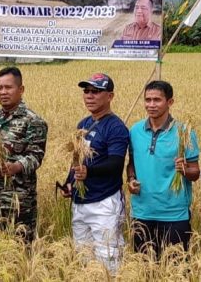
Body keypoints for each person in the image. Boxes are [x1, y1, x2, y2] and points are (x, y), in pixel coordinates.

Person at [61, 73, 129, 273]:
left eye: (96, 91)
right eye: (87, 91)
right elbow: (77, 160)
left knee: (108, 259)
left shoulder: (116, 127)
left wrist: (88, 172)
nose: (89, 96)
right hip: (80, 201)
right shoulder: (83, 124)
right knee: (83, 258)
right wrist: (69, 182)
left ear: (110, 96)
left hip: (104, 203)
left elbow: (116, 164)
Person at [0, 67, 48, 244]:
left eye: (8, 87)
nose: (3, 92)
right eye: (0, 88)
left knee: (20, 252)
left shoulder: (33, 121)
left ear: (21, 90)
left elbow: (36, 156)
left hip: (19, 202)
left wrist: (16, 167)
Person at [126, 81, 200, 258]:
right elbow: (132, 163)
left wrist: (184, 169)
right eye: (148, 100)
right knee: (144, 269)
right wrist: (130, 180)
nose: (151, 105)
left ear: (170, 102)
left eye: (157, 100)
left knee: (175, 269)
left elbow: (195, 172)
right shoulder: (135, 131)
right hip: (141, 212)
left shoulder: (184, 132)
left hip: (174, 215)